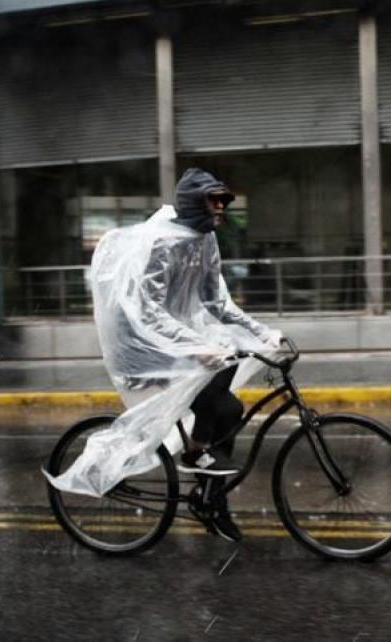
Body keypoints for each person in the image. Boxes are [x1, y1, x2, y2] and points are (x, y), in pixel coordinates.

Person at [127, 168, 279, 541]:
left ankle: (212, 502)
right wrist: (197, 346)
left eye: (222, 201)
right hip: (145, 343)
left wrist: (262, 333)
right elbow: (147, 311)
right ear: (194, 203)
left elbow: (216, 301)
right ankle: (195, 454)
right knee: (213, 391)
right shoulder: (164, 243)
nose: (221, 208)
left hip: (177, 341)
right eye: (213, 201)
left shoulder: (206, 241)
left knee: (230, 409)